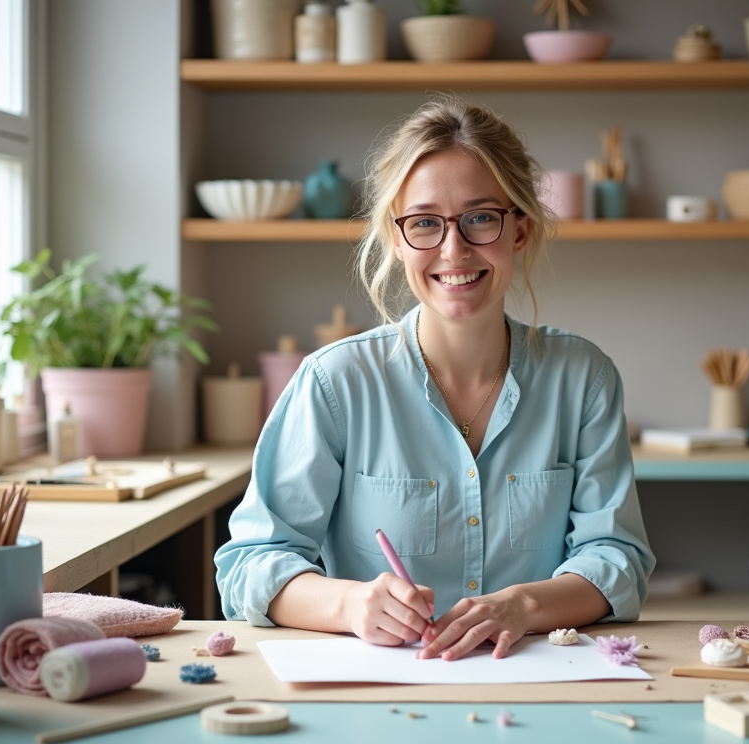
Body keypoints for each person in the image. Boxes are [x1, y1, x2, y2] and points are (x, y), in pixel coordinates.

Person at [215, 96, 654, 662]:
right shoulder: (334, 383)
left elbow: (616, 556)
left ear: (519, 230)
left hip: (536, 690)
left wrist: (523, 606)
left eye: (480, 218)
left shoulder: (583, 378)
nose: (453, 249)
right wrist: (349, 606)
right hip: (378, 704)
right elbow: (251, 563)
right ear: (397, 239)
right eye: (425, 222)